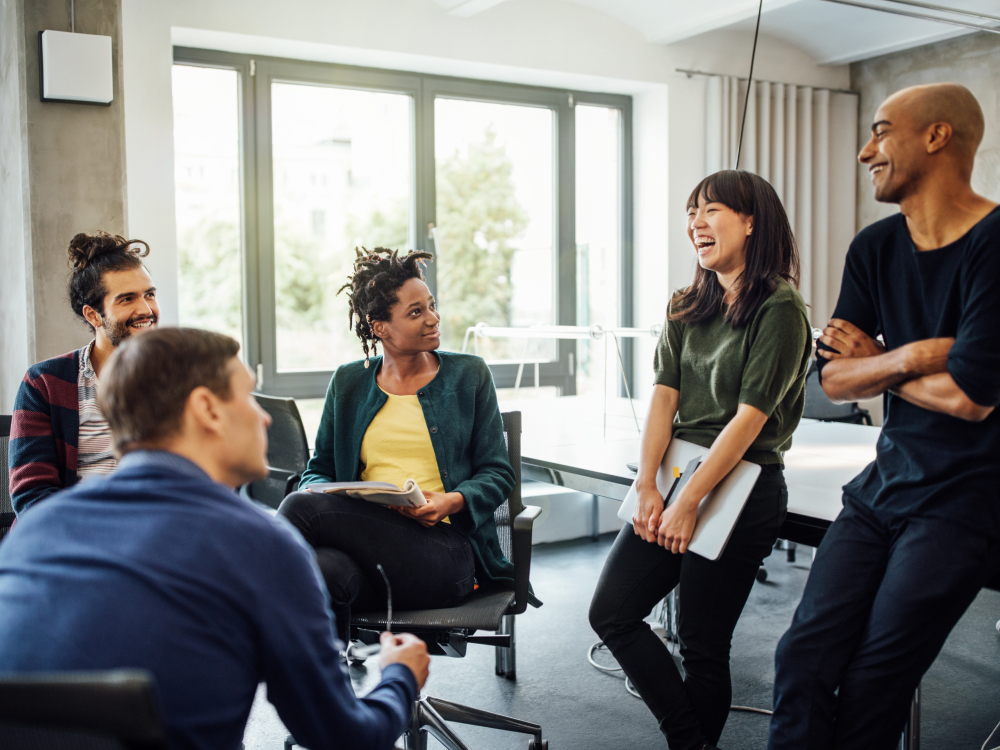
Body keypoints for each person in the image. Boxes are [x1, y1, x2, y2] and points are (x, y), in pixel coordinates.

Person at [0, 327, 430, 750]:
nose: (263, 416)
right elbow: (345, 738)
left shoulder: (34, 529)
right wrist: (399, 676)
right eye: (248, 396)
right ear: (207, 409)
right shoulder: (263, 545)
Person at [768, 84, 1000, 750]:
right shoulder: (873, 249)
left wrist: (883, 360)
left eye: (881, 131)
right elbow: (835, 379)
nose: (867, 150)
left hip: (961, 503)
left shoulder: (994, 243)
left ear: (937, 137)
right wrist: (921, 354)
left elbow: (972, 397)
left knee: (875, 682)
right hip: (881, 491)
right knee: (802, 659)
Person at [589, 170, 812, 750]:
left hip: (742, 488)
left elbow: (748, 422)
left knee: (702, 644)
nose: (696, 223)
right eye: (692, 212)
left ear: (750, 221)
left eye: (711, 210)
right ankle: (694, 743)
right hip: (677, 475)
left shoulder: (781, 307)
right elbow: (663, 399)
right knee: (611, 612)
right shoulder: (686, 304)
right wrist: (646, 484)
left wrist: (688, 500)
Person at [278, 248, 515, 645]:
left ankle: (237, 614)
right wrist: (329, 490)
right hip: (370, 557)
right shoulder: (348, 383)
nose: (433, 318)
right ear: (380, 327)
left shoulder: (468, 375)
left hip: (445, 557)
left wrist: (450, 501)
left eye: (432, 306)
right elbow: (318, 469)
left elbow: (498, 472)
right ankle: (343, 697)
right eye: (415, 312)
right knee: (323, 571)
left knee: (302, 509)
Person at [8, 231, 159, 515]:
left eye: (149, 294)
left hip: (153, 537)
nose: (146, 309)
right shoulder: (44, 384)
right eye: (127, 299)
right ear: (93, 315)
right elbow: (32, 497)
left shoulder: (178, 377)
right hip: (72, 541)